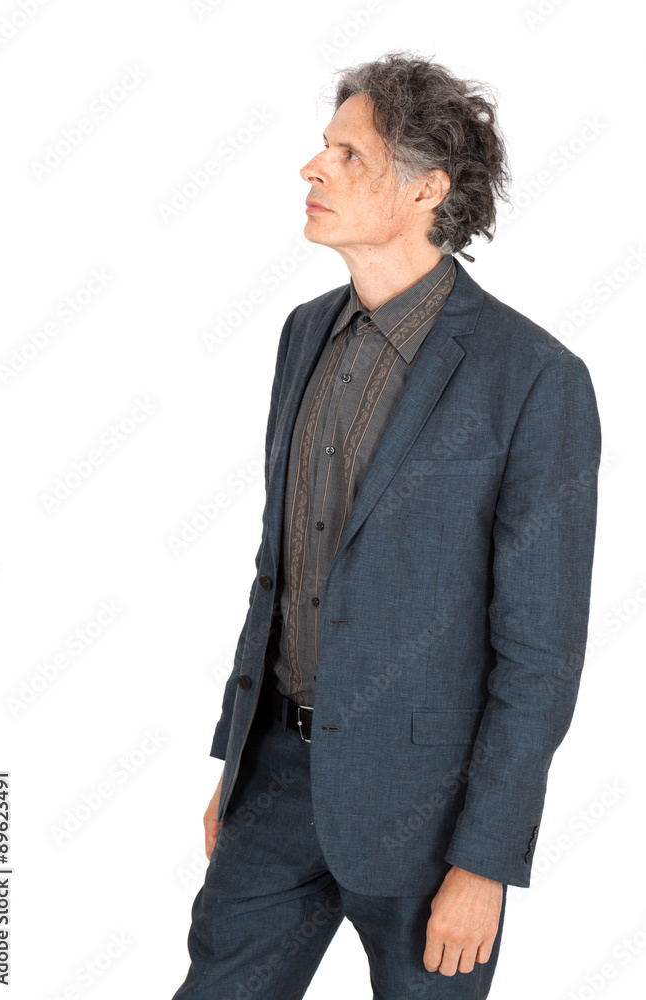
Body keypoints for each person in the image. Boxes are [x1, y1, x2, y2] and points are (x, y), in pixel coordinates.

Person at [171, 50, 601, 999]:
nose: (311, 168)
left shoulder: (533, 379)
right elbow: (278, 568)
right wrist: (234, 769)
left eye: (347, 155)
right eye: (322, 148)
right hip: (274, 783)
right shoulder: (302, 333)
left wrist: (485, 860)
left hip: (430, 819)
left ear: (425, 189)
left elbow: (540, 654)